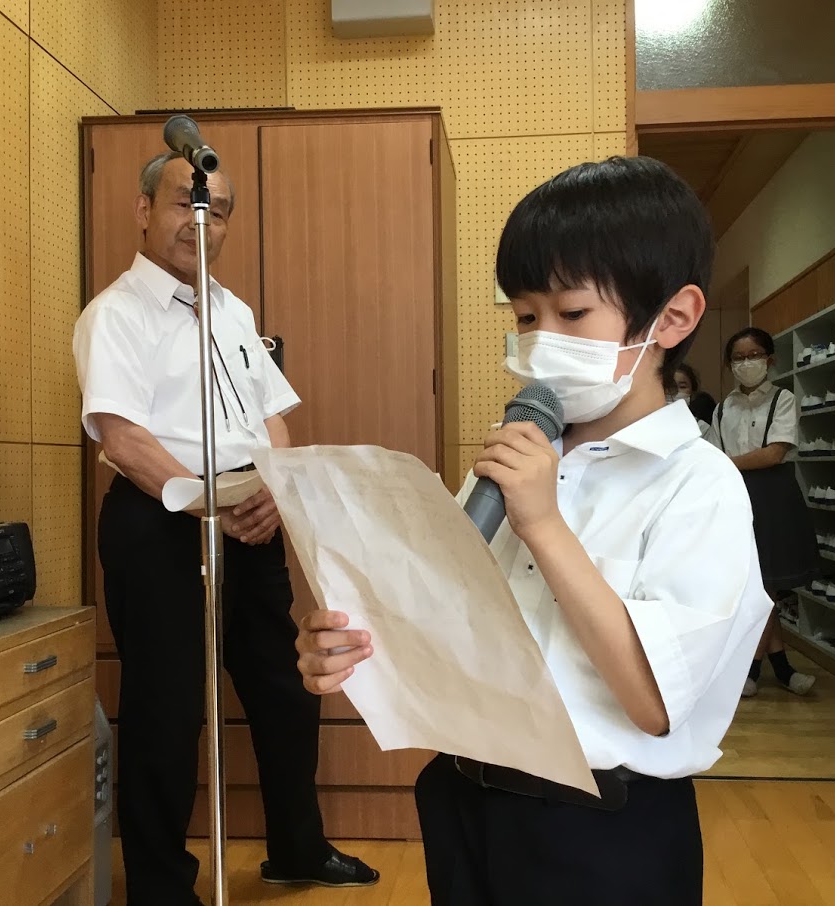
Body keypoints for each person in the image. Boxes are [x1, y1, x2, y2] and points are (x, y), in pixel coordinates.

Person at [295, 156, 772, 905]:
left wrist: (544, 524)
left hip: (602, 830)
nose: (542, 341)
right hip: (464, 799)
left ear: (672, 318)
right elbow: (446, 626)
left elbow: (653, 702)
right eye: (525, 316)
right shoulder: (514, 461)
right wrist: (351, 647)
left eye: (572, 314)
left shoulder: (698, 484)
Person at [73, 151, 377, 905]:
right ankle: (160, 887)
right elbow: (123, 438)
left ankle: (297, 849)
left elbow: (271, 416)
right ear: (144, 209)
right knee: (168, 709)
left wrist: (273, 488)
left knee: (285, 689)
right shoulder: (115, 315)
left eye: (218, 211)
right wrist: (209, 501)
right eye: (185, 202)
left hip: (252, 522)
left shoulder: (233, 311)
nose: (200, 222)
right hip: (162, 525)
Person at [706, 328, 819, 698]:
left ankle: (751, 669)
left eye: (754, 355)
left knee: (765, 584)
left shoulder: (783, 399)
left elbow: (774, 453)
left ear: (770, 359)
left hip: (773, 495)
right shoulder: (722, 408)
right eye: (738, 358)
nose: (746, 363)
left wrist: (727, 463)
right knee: (753, 584)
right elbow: (712, 457)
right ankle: (782, 668)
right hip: (734, 496)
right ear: (729, 365)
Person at [673, 363, 714, 435]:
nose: (676, 392)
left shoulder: (701, 428)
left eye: (682, 387)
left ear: (692, 393)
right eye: (671, 387)